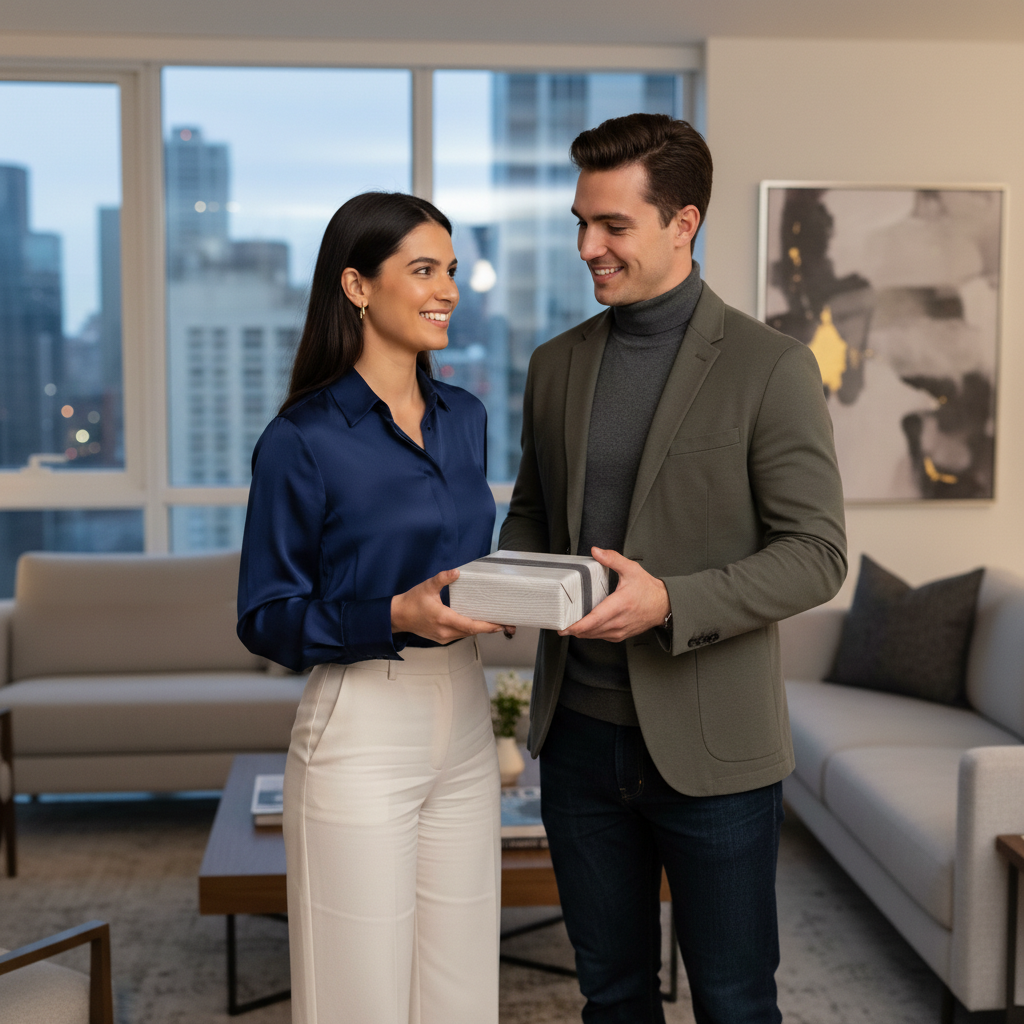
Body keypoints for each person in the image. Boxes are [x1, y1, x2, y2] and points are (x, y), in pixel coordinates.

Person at [499, 114, 848, 1024]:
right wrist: (500, 584)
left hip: (717, 752)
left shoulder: (772, 368)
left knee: (734, 1002)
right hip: (577, 740)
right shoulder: (553, 366)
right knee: (611, 996)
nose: (588, 246)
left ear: (682, 224)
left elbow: (817, 556)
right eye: (581, 222)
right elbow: (533, 516)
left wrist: (669, 602)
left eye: (612, 225)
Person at [237, 191, 505, 1024]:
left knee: (463, 986)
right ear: (357, 286)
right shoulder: (302, 439)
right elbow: (266, 616)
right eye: (423, 270)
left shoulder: (467, 418)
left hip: (466, 718)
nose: (448, 290)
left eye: (451, 271)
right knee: (360, 997)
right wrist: (391, 614)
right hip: (360, 731)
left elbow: (463, 561)